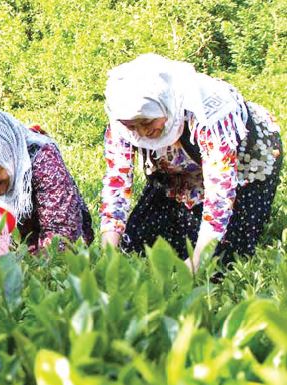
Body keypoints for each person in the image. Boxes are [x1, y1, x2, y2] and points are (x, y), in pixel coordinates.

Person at [100, 54, 282, 271]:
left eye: (146, 122)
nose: (141, 132)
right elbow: (117, 184)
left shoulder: (209, 115)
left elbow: (220, 193)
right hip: (182, 168)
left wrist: (198, 260)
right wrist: (107, 254)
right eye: (132, 126)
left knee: (222, 263)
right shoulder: (124, 118)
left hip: (245, 163)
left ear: (165, 105)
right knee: (137, 246)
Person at [0, 108, 94, 252]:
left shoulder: (41, 160)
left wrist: (38, 269)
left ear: (10, 159)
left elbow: (61, 231)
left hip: (40, 245)